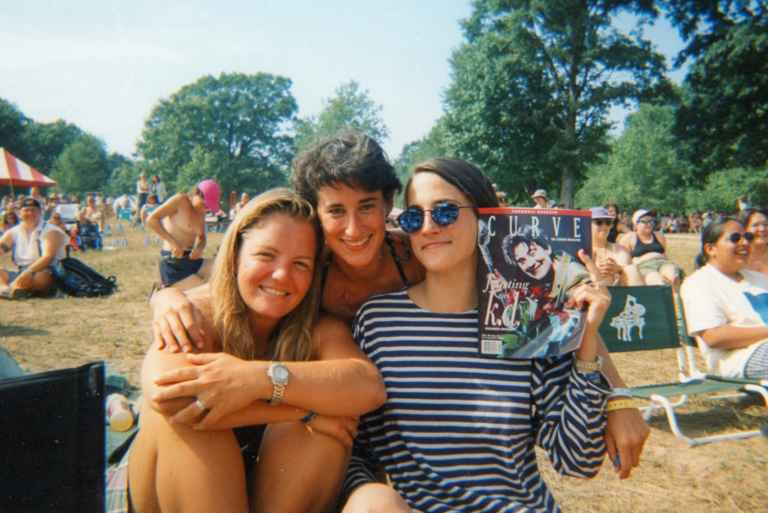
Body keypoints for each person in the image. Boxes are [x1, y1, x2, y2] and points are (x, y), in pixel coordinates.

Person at [153, 132, 649, 479]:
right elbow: (217, 286)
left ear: (387, 204)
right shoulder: (309, 262)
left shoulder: (416, 260)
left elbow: (551, 308)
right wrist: (166, 296)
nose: (353, 229)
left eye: (367, 206)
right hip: (297, 408)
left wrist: (619, 394)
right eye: (336, 212)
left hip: (350, 417)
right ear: (317, 214)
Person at [343, 158, 613, 512]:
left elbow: (578, 460)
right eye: (412, 216)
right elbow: (355, 450)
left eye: (445, 211)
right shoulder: (377, 321)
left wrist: (587, 346)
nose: (427, 227)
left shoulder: (526, 320)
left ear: (486, 218)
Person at [106, 188, 386, 513]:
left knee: (328, 424)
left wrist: (257, 378)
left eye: (301, 264)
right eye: (266, 255)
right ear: (236, 255)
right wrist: (304, 410)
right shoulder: (196, 313)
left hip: (267, 493)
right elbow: (168, 397)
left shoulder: (316, 328)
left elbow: (367, 386)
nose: (281, 275)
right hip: (173, 486)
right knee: (195, 421)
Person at [680, 217, 768, 379]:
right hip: (738, 357)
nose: (745, 243)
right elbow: (713, 337)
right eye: (735, 238)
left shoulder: (759, 279)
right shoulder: (699, 283)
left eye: (747, 237)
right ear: (710, 249)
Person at [146, 180, 220, 290]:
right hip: (173, 262)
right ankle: (164, 288)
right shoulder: (180, 200)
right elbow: (152, 220)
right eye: (203, 204)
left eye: (207, 207)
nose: (204, 208)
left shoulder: (201, 211)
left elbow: (202, 237)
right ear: (196, 193)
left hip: (190, 260)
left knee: (225, 268)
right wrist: (173, 243)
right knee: (207, 293)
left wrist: (199, 247)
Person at [0, 198, 67, 299]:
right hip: (21, 272)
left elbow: (48, 256)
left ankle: (10, 290)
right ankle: (7, 290)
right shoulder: (14, 232)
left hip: (45, 272)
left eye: (34, 210)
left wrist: (30, 271)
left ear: (40, 213)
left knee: (42, 278)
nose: (30, 213)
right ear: (19, 213)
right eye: (26, 210)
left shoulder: (51, 231)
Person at [619, 209, 682, 285]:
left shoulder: (659, 236)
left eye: (651, 221)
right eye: (645, 222)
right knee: (657, 279)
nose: (649, 224)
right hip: (644, 266)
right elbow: (624, 260)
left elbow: (664, 254)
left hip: (662, 263)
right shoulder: (630, 237)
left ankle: (675, 294)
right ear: (636, 224)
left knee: (671, 274)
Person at [591, 206, 644, 286]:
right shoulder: (580, 249)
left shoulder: (619, 250)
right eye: (599, 222)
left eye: (608, 222)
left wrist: (616, 268)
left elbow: (625, 265)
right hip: (587, 291)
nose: (604, 226)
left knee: (631, 269)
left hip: (614, 293)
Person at [739, 207, 768, 278]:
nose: (762, 229)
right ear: (744, 229)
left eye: (765, 224)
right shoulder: (736, 258)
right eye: (755, 225)